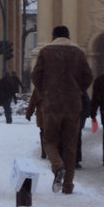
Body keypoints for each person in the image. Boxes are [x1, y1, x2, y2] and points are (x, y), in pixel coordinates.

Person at [31, 25, 93, 195]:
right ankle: (68, 185)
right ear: (68, 36)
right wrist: (77, 90)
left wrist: (46, 91)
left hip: (52, 105)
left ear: (53, 36)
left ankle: (58, 167)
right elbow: (88, 76)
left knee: (49, 141)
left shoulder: (46, 52)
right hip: (73, 105)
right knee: (70, 145)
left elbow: (36, 75)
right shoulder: (78, 53)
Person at [26, 87, 45, 158]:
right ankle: (48, 151)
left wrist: (29, 113)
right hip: (53, 115)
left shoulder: (39, 87)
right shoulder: (55, 85)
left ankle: (44, 151)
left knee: (43, 133)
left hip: (42, 114)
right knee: (52, 134)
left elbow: (33, 102)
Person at [75, 91, 91, 169]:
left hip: (70, 116)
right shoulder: (81, 89)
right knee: (77, 138)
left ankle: (66, 159)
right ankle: (76, 160)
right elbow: (86, 102)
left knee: (67, 138)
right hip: (79, 116)